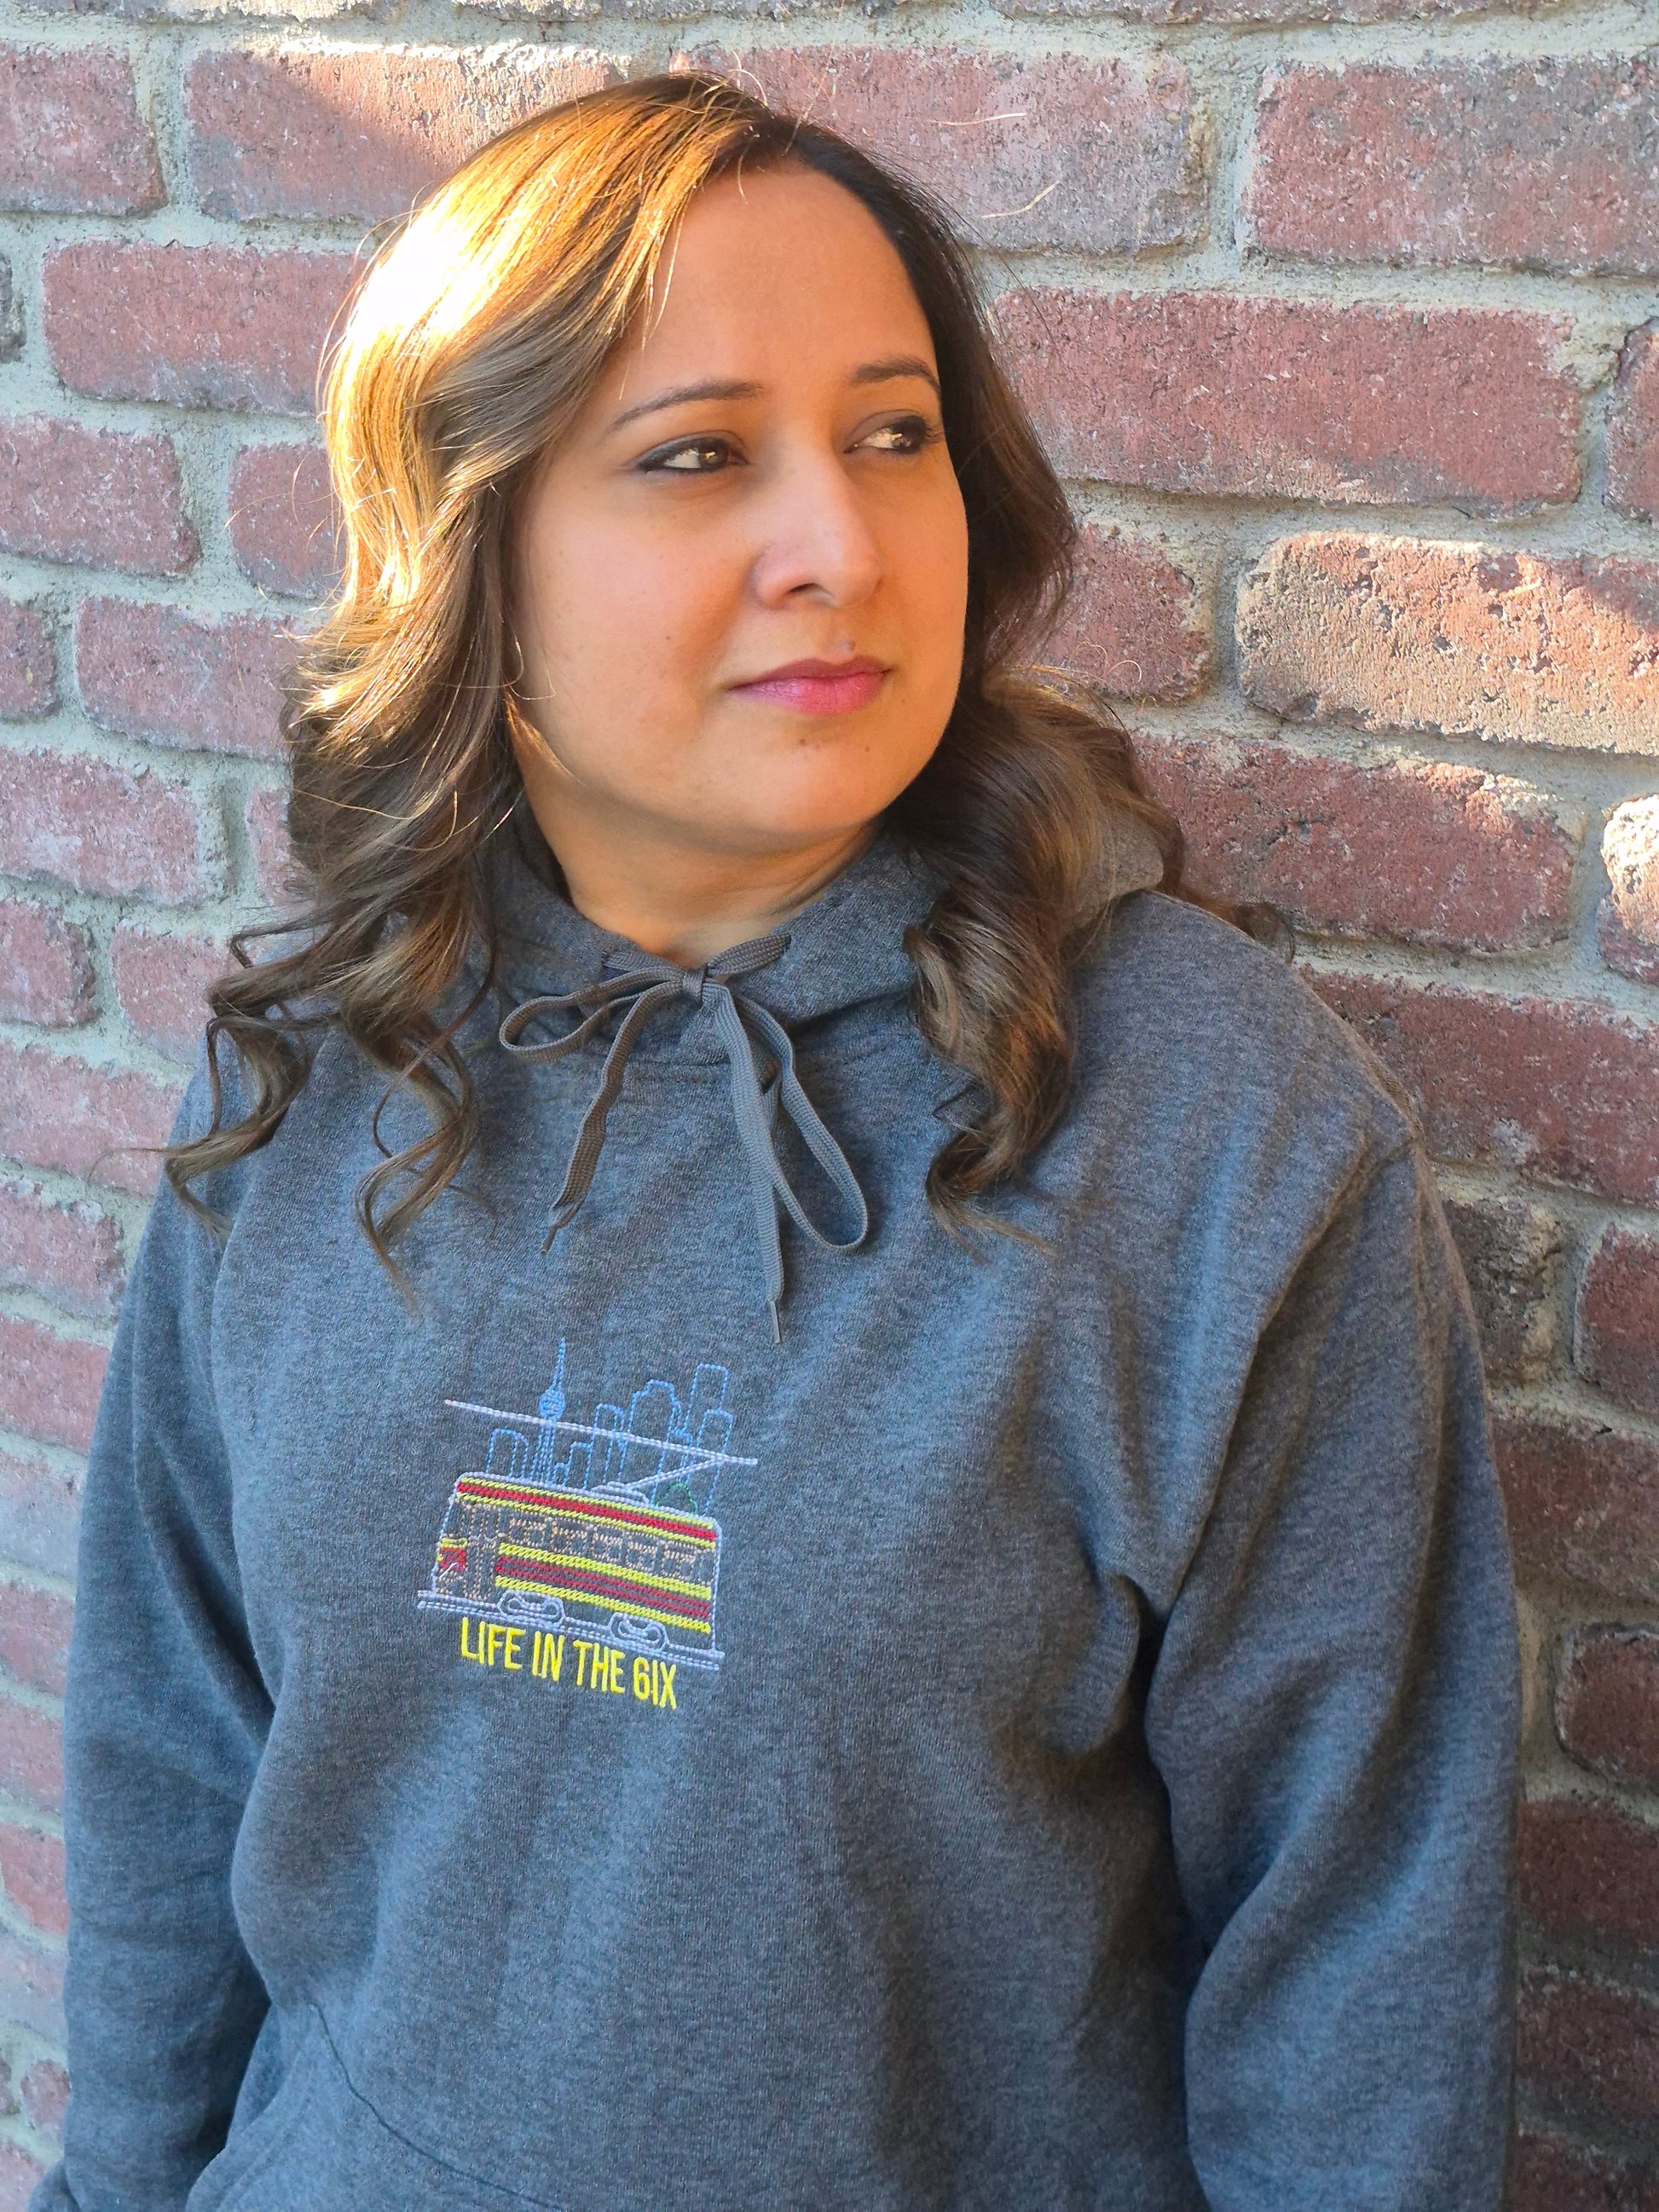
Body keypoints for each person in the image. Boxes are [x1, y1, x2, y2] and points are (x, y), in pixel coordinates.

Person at [38, 72, 1520, 2212]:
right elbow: (179, 1755)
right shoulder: (319, 1067)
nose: (837, 543)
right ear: (476, 546)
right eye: (699, 455)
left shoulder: (1213, 1134)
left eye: (894, 433)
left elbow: (1360, 1961)